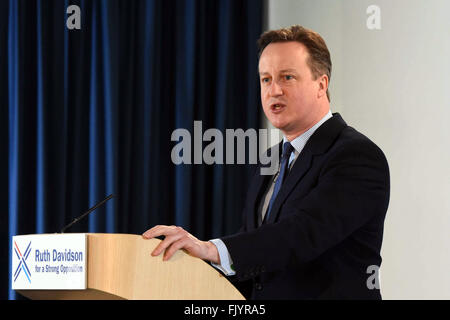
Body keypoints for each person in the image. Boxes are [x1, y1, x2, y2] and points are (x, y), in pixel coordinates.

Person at [142, 25, 390, 299]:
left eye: (287, 77)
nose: (274, 90)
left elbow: (301, 234)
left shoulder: (356, 156)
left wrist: (212, 248)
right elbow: (256, 261)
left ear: (321, 84)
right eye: (265, 79)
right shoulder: (270, 159)